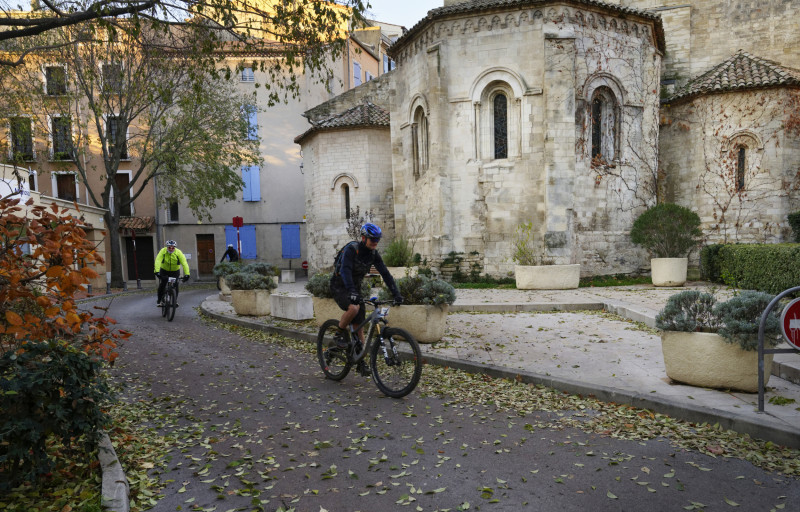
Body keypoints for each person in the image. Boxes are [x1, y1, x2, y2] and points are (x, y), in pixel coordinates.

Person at [329, 223, 403, 373]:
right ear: (364, 238)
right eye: (373, 239)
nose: (375, 242)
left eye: (377, 239)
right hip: (340, 286)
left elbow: (385, 274)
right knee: (354, 308)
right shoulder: (352, 249)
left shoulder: (373, 254)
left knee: (359, 327)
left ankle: (360, 361)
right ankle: (338, 335)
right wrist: (351, 291)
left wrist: (396, 293)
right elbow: (345, 271)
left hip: (355, 289)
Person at [154, 240, 190, 307]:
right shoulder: (163, 251)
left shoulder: (178, 252)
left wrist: (187, 274)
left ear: (175, 247)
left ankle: (174, 301)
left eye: (173, 247)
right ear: (167, 247)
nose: (171, 249)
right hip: (164, 270)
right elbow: (158, 260)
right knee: (162, 284)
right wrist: (157, 271)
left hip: (174, 271)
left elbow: (184, 263)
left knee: (175, 285)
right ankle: (159, 300)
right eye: (169, 247)